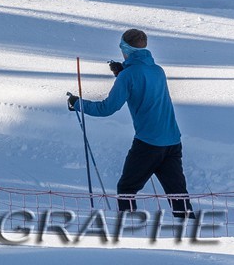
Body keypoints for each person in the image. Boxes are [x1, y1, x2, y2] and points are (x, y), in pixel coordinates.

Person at [67, 28, 192, 217]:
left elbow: (107, 108)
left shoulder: (129, 75)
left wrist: (77, 104)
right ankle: (189, 226)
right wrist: (122, 73)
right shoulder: (158, 71)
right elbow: (143, 85)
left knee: (126, 189)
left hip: (148, 143)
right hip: (172, 141)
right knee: (178, 194)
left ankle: (129, 226)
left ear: (125, 49)